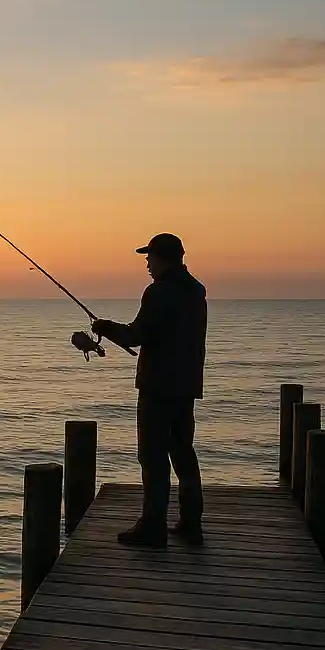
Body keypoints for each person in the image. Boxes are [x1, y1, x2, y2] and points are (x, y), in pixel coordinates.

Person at [91, 232, 207, 548]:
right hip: (186, 387)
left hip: (158, 388)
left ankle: (153, 526)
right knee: (183, 453)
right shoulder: (196, 292)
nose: (146, 263)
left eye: (149, 257)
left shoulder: (159, 292)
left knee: (153, 457)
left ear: (163, 258)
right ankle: (191, 522)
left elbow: (135, 336)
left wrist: (104, 328)